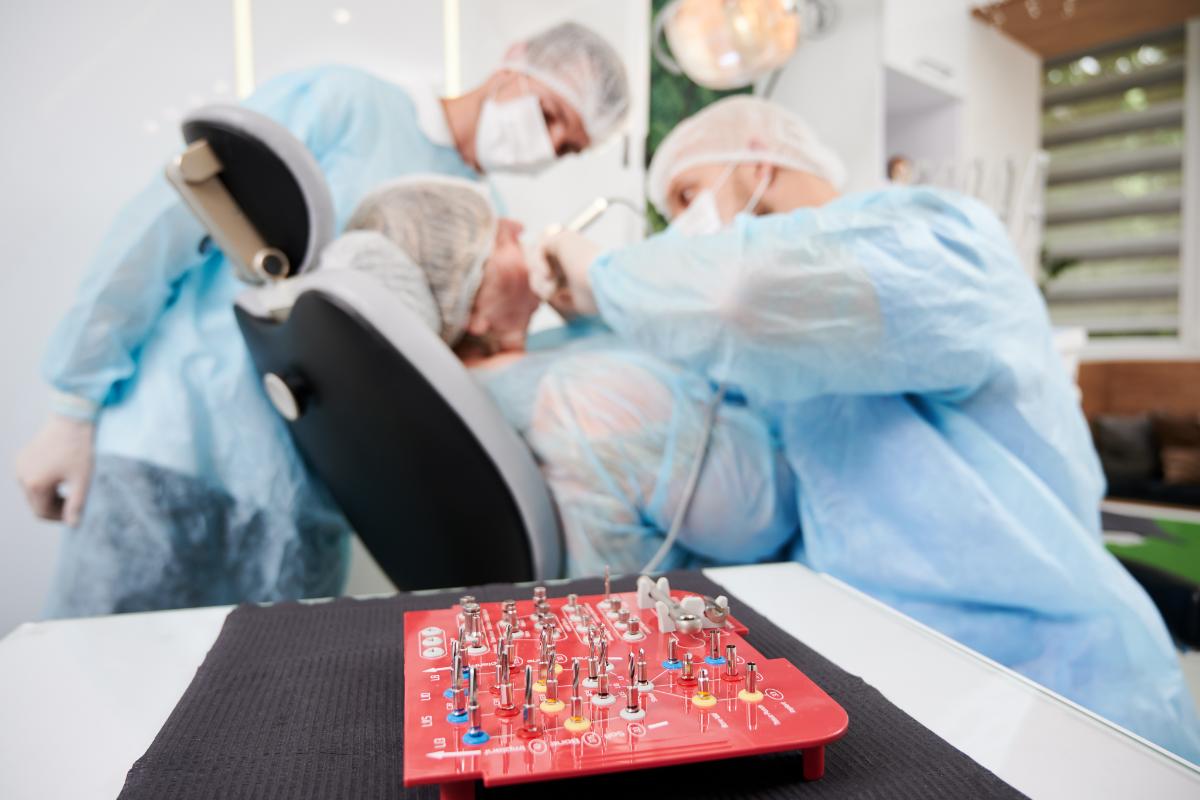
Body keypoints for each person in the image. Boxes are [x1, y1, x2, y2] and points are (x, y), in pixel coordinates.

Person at [533, 95, 1200, 761]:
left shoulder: (941, 239)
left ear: (758, 155)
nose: (685, 228)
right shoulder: (779, 355)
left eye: (687, 195)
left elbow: (739, 292)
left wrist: (600, 272)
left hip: (1055, 682)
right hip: (884, 669)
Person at [15, 22, 630, 618]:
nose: (548, 146)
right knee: (100, 678)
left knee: (264, 710)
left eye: (568, 147)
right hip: (182, 437)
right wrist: (74, 402)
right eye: (550, 116)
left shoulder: (482, 212)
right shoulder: (350, 103)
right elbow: (166, 224)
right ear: (514, 63)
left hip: (309, 501)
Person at [322, 176, 798, 576]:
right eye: (499, 237)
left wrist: (594, 311)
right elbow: (760, 517)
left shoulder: (469, 390)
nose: (519, 226)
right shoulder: (589, 398)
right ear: (468, 313)